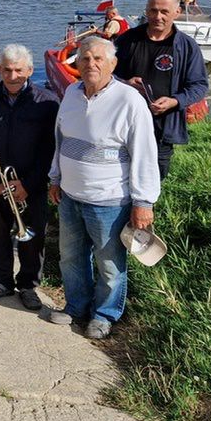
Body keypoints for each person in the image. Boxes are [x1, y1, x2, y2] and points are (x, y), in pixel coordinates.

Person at [47, 37, 160, 339]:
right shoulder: (71, 93)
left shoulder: (129, 100)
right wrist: (55, 177)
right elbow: (61, 141)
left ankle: (104, 314)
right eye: (84, 58)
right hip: (71, 195)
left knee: (109, 262)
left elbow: (144, 154)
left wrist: (143, 202)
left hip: (109, 200)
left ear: (113, 64)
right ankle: (76, 307)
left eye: (98, 59)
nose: (90, 64)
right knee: (70, 256)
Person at [0, 44, 58, 307]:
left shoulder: (47, 102)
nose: (12, 75)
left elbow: (50, 148)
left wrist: (29, 183)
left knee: (32, 235)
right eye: (6, 69)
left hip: (30, 185)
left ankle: (29, 285)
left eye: (18, 70)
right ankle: (2, 281)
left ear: (29, 70)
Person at [114, 0, 208, 180]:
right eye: (153, 11)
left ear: (177, 12)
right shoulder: (127, 40)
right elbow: (105, 75)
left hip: (163, 127)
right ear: (146, 11)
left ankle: (147, 207)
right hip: (124, 123)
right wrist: (124, 84)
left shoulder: (187, 46)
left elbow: (199, 85)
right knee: (119, 174)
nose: (158, 16)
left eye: (164, 12)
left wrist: (175, 101)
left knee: (154, 177)